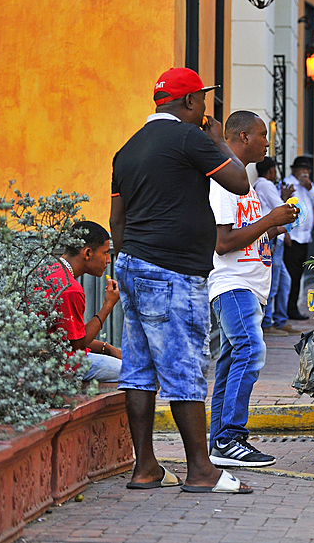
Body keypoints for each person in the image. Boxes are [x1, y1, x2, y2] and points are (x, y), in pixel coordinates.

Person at [110, 67, 254, 494]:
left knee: (139, 371)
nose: (208, 110)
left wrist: (134, 259)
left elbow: (117, 222)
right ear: (189, 102)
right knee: (186, 367)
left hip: (133, 266)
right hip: (173, 272)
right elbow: (240, 182)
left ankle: (146, 468)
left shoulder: (127, 148)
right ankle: (201, 470)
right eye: (204, 101)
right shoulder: (191, 138)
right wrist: (215, 141)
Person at [207, 112, 298, 468]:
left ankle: (220, 442)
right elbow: (222, 242)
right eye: (262, 136)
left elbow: (247, 233)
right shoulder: (225, 182)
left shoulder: (241, 178)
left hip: (249, 286)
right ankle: (231, 437)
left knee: (231, 362)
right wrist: (270, 220)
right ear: (243, 137)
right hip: (233, 285)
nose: (267, 143)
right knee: (249, 349)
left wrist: (275, 226)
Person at [44, 220, 122, 382]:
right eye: (105, 253)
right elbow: (77, 346)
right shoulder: (70, 288)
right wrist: (107, 306)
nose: (108, 260)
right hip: (64, 365)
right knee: (140, 376)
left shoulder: (48, 269)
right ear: (87, 253)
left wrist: (107, 348)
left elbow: (71, 339)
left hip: (47, 359)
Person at [253, 157, 292, 336]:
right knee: (274, 282)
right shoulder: (265, 184)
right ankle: (267, 323)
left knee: (284, 280)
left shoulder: (261, 185)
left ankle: (280, 319)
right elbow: (281, 208)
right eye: (275, 170)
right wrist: (285, 198)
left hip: (275, 236)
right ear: (270, 170)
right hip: (272, 237)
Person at [283, 156, 314, 321]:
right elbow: (282, 207)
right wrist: (285, 232)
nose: (305, 173)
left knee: (298, 274)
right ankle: (288, 309)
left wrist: (310, 188)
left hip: (305, 237)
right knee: (290, 276)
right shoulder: (287, 184)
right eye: (302, 169)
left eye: (307, 170)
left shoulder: (308, 186)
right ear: (294, 170)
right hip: (292, 237)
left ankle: (292, 308)